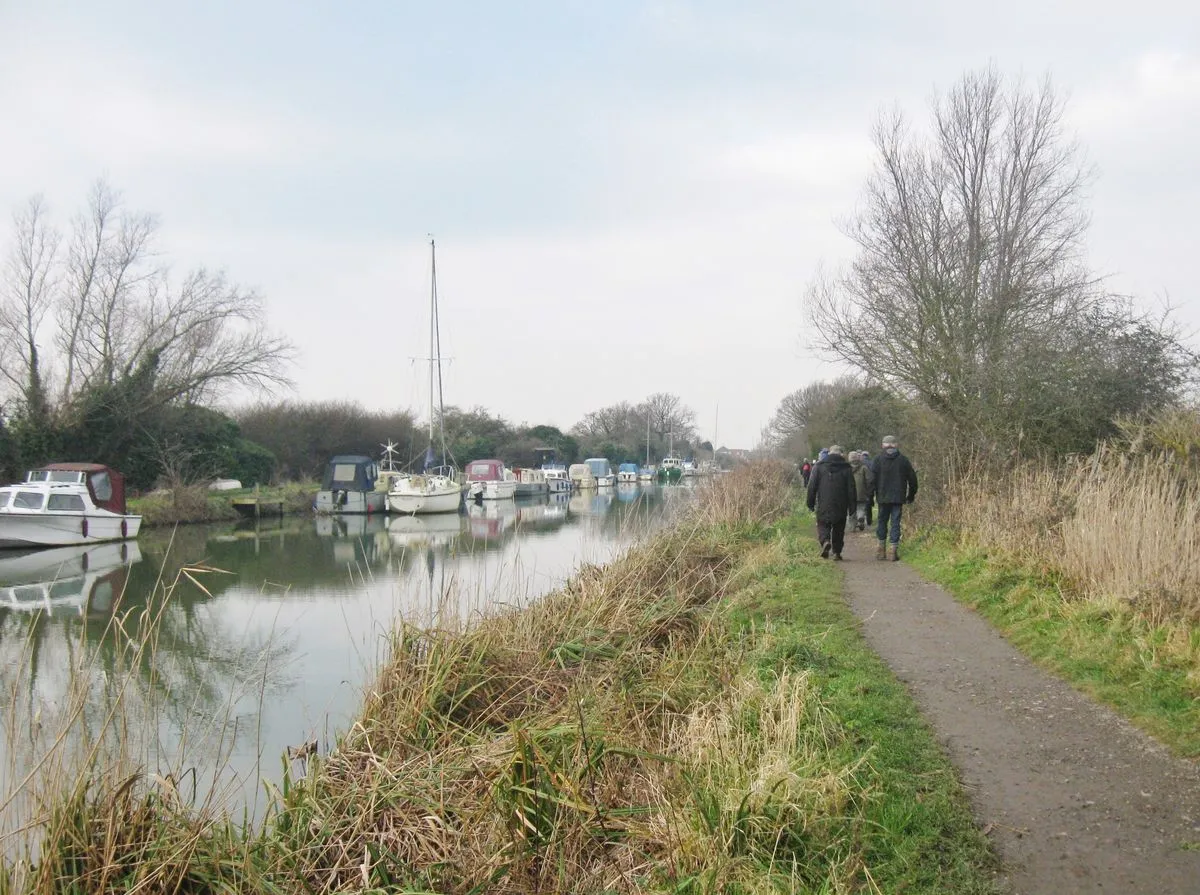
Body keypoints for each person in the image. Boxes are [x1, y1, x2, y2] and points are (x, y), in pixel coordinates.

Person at [869, 435, 918, 561]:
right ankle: (893, 551)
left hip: (882, 497)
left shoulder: (877, 460)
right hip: (898, 497)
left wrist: (870, 496)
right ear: (896, 445)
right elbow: (913, 480)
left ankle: (881, 549)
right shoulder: (903, 460)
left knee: (882, 521)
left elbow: (871, 480)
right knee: (895, 523)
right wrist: (910, 495)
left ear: (883, 445)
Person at [806, 444, 856, 560]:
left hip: (824, 501)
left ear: (829, 453)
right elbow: (851, 488)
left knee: (823, 524)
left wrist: (810, 503)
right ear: (841, 454)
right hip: (841, 503)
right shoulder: (847, 468)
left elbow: (812, 486)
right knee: (839, 527)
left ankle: (825, 541)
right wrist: (852, 506)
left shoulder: (819, 467)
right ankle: (837, 552)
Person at [848, 450, 874, 532]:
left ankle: (852, 526)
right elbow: (869, 480)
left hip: (849, 493)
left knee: (851, 510)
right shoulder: (864, 467)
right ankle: (861, 517)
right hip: (862, 492)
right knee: (861, 507)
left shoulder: (846, 468)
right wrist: (868, 491)